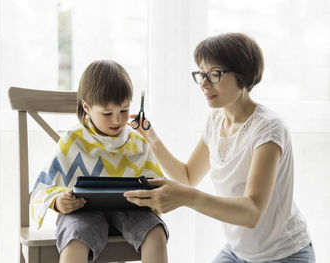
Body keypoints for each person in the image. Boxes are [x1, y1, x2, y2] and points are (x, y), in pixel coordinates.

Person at [125, 33, 315, 262]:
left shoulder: (268, 128)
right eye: (201, 74)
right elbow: (187, 177)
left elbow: (252, 211)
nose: (204, 84)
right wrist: (150, 137)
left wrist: (186, 197)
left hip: (285, 254)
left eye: (214, 74)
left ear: (242, 74)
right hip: (238, 252)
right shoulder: (215, 121)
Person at [30, 60, 169, 263]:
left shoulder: (137, 142)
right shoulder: (73, 140)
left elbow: (156, 185)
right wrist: (59, 202)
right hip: (82, 210)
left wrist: (152, 195)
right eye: (107, 113)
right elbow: (43, 188)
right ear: (86, 107)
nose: (117, 120)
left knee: (156, 232)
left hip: (129, 209)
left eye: (123, 110)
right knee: (76, 236)